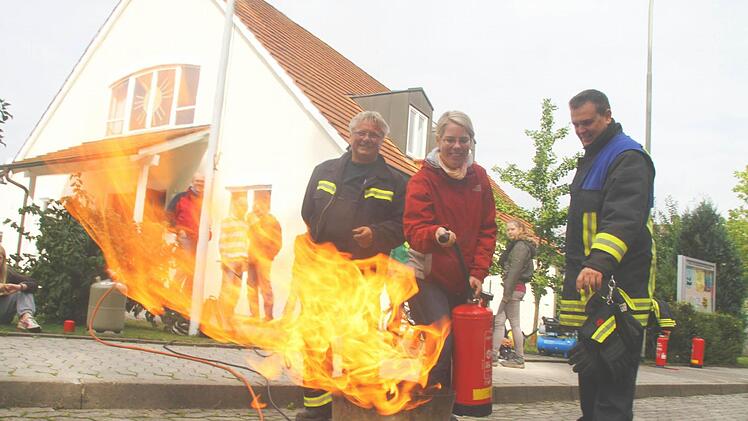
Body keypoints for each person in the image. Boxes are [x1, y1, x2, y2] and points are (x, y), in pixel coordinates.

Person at [296, 110, 406, 421]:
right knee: (317, 339)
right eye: (361, 133)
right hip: (323, 272)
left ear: (382, 141)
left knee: (359, 340)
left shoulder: (395, 181)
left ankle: (356, 407)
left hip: (365, 275)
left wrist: (375, 235)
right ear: (350, 135)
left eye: (374, 135)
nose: (367, 139)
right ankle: (317, 409)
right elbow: (309, 213)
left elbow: (402, 227)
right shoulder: (324, 171)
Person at [560, 89, 655, 421]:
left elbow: (624, 217)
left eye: (587, 122)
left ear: (607, 115)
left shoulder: (627, 157)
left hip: (620, 299)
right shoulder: (596, 157)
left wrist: (598, 261)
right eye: (575, 124)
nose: (581, 130)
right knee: (593, 388)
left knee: (612, 397)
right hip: (598, 299)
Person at [403, 110, 497, 390]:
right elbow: (413, 231)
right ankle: (431, 407)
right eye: (450, 140)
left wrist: (478, 273)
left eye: (463, 140)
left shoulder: (479, 178)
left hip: (464, 279)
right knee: (441, 345)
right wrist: (435, 234)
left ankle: (446, 408)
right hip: (429, 277)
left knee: (463, 349)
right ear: (438, 140)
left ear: (471, 141)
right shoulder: (422, 180)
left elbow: (487, 230)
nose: (457, 146)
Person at [492, 219, 536, 369]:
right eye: (508, 230)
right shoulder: (519, 246)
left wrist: (507, 293)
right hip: (515, 288)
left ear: (520, 229)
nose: (509, 232)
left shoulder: (520, 247)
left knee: (512, 324)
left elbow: (515, 270)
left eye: (512, 229)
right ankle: (494, 354)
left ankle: (518, 358)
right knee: (500, 321)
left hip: (513, 289)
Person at [166, 173, 204, 297]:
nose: (200, 183)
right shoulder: (181, 197)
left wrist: (208, 234)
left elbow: (208, 220)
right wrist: (178, 230)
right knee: (184, 267)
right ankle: (172, 296)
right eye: (197, 181)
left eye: (202, 181)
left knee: (194, 271)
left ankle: (186, 301)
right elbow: (168, 215)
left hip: (199, 240)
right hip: (185, 238)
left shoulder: (205, 201)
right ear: (192, 182)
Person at [246, 191, 282, 321]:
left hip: (264, 259)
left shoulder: (272, 222)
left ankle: (268, 316)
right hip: (251, 258)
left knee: (265, 288)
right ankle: (254, 315)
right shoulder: (252, 219)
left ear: (266, 206)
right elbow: (247, 237)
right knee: (251, 287)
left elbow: (269, 240)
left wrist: (269, 256)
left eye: (259, 206)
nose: (256, 209)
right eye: (255, 206)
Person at [218, 192, 249, 321]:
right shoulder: (227, 222)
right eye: (242, 206)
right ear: (236, 206)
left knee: (235, 292)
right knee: (227, 291)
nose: (244, 209)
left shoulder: (245, 224)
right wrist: (225, 260)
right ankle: (222, 318)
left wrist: (245, 260)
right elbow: (222, 242)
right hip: (230, 261)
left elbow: (246, 243)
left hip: (241, 262)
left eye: (246, 207)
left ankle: (229, 316)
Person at [0, 245, 42, 333]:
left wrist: (19, 287)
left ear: (3, 260)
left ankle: (26, 318)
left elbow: (33, 283)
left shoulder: (8, 273)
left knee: (23, 288)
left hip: (3, 313)